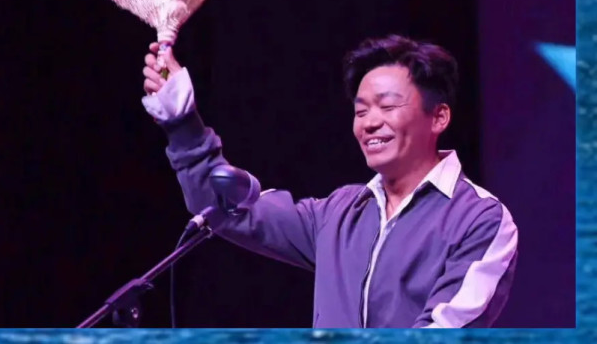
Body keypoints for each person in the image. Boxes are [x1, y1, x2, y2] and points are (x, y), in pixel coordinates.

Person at [140, 34, 518, 328]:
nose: (370, 122)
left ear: (439, 117)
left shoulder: (480, 218)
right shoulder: (339, 212)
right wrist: (182, 122)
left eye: (388, 106)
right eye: (360, 111)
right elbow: (225, 208)